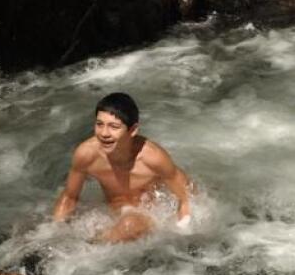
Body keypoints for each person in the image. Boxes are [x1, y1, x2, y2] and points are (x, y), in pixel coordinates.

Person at [53, 92, 192, 243]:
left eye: (114, 126)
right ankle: (91, 245)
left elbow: (186, 198)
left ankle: (92, 247)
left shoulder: (153, 158)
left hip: (151, 216)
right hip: (115, 215)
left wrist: (182, 233)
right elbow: (69, 197)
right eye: (99, 124)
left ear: (133, 130)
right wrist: (55, 232)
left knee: (130, 225)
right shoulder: (86, 154)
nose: (104, 133)